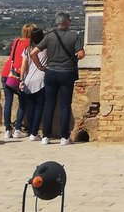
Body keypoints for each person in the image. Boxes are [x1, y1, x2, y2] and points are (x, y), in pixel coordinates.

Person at [31, 12, 85, 145]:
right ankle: (64, 137)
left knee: (49, 105)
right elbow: (81, 54)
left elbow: (33, 53)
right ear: (68, 22)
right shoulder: (74, 36)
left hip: (51, 73)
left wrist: (40, 67)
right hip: (67, 73)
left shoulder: (50, 36)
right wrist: (73, 58)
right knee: (65, 105)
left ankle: (45, 136)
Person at [1, 22, 36, 139]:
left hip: (6, 73)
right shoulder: (30, 44)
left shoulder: (16, 41)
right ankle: (17, 129)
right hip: (17, 76)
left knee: (8, 102)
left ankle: (7, 129)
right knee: (23, 101)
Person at [20, 27, 46, 141]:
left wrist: (21, 80)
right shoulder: (46, 49)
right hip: (41, 79)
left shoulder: (27, 49)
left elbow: (23, 66)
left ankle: (31, 131)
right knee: (39, 107)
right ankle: (34, 132)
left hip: (28, 80)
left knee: (30, 107)